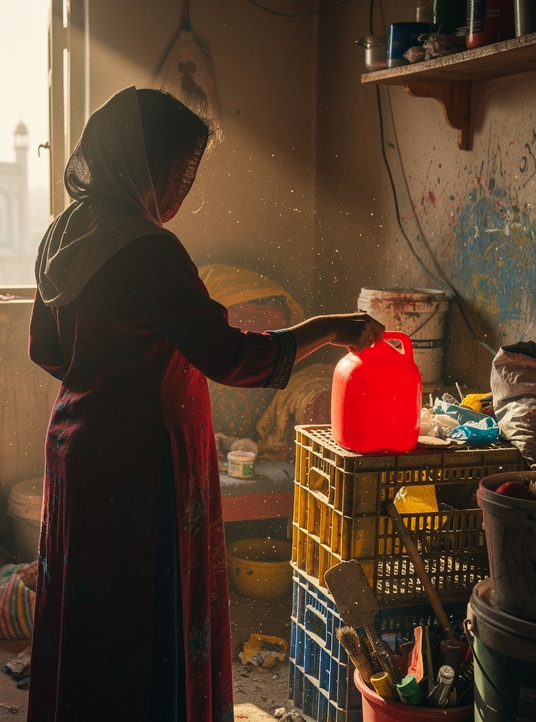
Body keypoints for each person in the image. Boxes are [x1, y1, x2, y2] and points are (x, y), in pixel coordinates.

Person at [28, 86, 384, 721]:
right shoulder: (147, 249)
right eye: (174, 170)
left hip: (75, 448)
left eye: (187, 174)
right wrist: (327, 329)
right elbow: (229, 357)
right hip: (144, 464)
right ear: (137, 162)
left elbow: (46, 349)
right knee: (146, 615)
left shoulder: (65, 234)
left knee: (91, 613)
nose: (180, 189)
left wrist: (104, 380)